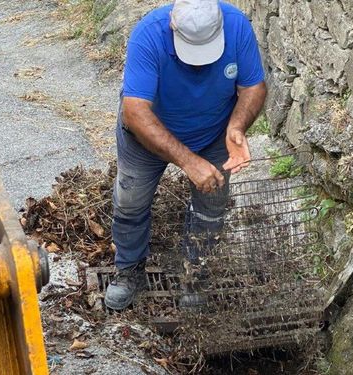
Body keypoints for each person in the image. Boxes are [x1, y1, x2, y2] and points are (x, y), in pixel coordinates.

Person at [105, 0, 267, 310]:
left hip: (213, 132)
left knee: (212, 206)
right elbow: (135, 113)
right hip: (147, 134)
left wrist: (236, 127)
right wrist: (189, 162)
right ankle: (128, 271)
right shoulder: (148, 35)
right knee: (130, 201)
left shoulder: (236, 26)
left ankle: (196, 277)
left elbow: (253, 87)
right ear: (173, 27)